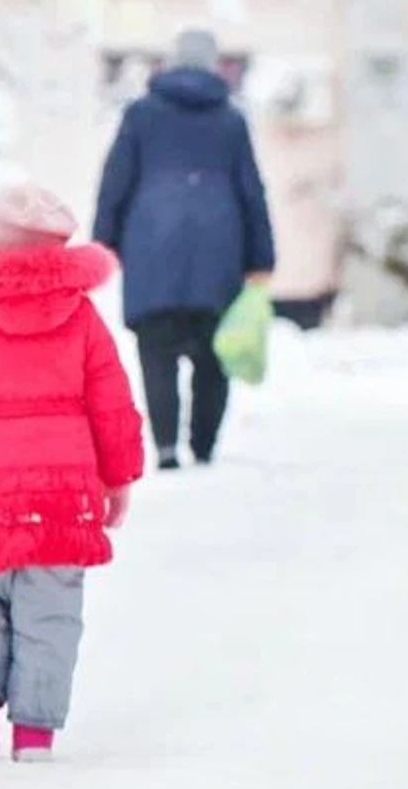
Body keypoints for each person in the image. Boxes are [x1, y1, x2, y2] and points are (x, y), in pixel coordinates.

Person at [0, 184, 145, 763]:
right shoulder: (81, 315)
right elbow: (112, 402)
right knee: (51, 609)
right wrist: (118, 476)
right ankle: (34, 732)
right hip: (64, 490)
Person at [92, 28, 273, 471]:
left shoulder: (140, 114)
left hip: (152, 242)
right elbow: (251, 191)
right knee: (214, 351)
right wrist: (260, 257)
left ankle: (167, 447)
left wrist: (105, 240)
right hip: (220, 247)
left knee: (157, 349)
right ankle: (204, 446)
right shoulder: (231, 119)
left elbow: (116, 180)